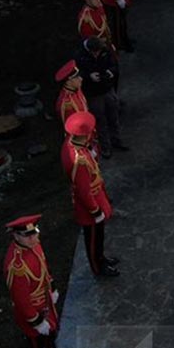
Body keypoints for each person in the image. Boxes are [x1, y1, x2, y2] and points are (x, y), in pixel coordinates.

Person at [3, 214, 77, 348]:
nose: (34, 238)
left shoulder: (33, 245)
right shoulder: (16, 265)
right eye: (28, 235)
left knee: (50, 342)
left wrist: (51, 287)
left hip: (45, 306)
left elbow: (44, 268)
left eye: (35, 233)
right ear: (16, 236)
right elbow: (21, 300)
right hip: (33, 315)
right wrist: (36, 322)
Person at [61, 112, 119, 277]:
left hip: (95, 195)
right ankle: (98, 267)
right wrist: (95, 211)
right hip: (90, 205)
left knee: (98, 237)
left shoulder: (74, 145)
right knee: (94, 238)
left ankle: (101, 258)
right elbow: (84, 190)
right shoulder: (78, 161)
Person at [75, 36, 128, 157]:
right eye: (95, 52)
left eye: (99, 52)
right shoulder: (79, 55)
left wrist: (110, 71)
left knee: (114, 116)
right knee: (100, 120)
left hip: (107, 89)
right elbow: (76, 74)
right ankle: (105, 147)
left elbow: (114, 64)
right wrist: (89, 76)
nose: (97, 54)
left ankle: (117, 140)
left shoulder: (104, 50)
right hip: (93, 94)